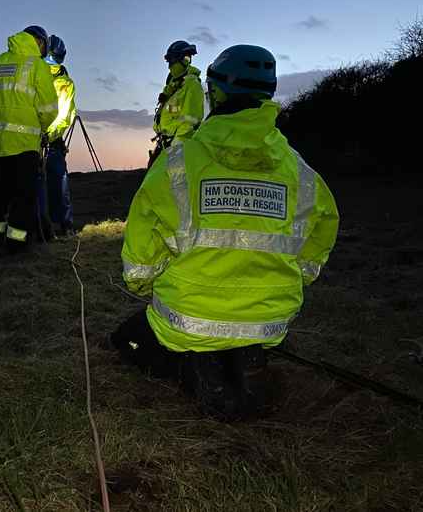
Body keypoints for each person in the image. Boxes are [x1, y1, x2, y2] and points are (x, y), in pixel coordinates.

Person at [112, 45, 339, 420]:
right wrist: (290, 278)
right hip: (267, 319)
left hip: (187, 319)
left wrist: (143, 287)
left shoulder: (177, 165)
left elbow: (140, 263)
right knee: (238, 333)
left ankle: (194, 367)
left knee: (125, 341)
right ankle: (243, 355)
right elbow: (318, 241)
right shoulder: (299, 171)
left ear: (214, 93)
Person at [0, 25, 58, 252]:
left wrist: (0, 117)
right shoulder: (37, 66)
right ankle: (17, 242)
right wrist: (41, 129)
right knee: (24, 195)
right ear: (40, 43)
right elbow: (49, 108)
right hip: (24, 144)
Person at [148, 40, 204, 168]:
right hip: (164, 145)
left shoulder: (192, 85)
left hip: (176, 147)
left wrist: (175, 154)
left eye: (189, 59)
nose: (188, 62)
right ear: (173, 60)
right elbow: (177, 112)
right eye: (185, 58)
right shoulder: (174, 86)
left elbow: (190, 122)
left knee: (177, 186)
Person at [43, 34, 77, 237]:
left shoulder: (66, 84)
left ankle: (65, 224)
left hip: (52, 140)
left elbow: (66, 115)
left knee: (58, 180)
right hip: (29, 138)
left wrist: (49, 135)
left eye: (54, 59)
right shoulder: (32, 75)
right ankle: (38, 225)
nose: (50, 63)